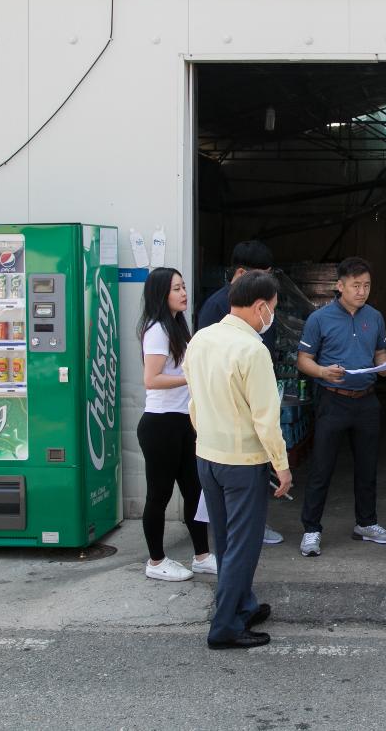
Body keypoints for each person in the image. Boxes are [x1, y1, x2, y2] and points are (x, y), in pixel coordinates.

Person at [183, 271, 292, 650]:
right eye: (273, 309)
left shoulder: (201, 338)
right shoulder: (253, 350)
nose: (271, 316)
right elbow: (266, 417)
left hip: (207, 455)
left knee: (226, 540)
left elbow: (193, 399)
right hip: (243, 460)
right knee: (243, 547)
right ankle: (225, 626)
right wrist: (282, 465)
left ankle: (241, 604)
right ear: (261, 306)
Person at [296, 256, 386, 557]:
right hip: (332, 399)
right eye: (355, 285)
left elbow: (380, 351)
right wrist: (323, 372)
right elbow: (303, 360)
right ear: (339, 286)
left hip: (366, 400)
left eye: (366, 285)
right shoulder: (320, 319)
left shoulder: (374, 317)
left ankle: (366, 523)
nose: (362, 291)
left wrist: (384, 367)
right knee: (321, 468)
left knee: (367, 467)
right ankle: (311, 530)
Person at [195, 239, 284, 546]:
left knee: (230, 536)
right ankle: (232, 592)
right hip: (232, 437)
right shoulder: (217, 309)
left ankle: (231, 591)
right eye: (262, 274)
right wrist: (281, 465)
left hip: (220, 442)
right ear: (242, 272)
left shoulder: (261, 306)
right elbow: (206, 379)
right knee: (236, 536)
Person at [136, 267, 215, 582]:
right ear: (161, 294)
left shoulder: (179, 325)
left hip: (184, 422)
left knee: (196, 492)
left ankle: (202, 556)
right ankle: (156, 562)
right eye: (176, 289)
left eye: (183, 287)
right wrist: (191, 377)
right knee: (159, 495)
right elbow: (151, 380)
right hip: (160, 425)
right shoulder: (157, 329)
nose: (183, 293)